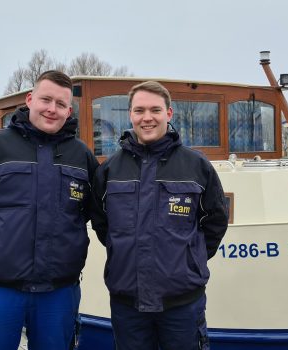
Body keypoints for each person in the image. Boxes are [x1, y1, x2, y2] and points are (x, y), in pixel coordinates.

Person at [0, 70, 98, 350]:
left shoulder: (82, 157)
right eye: (46, 99)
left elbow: (91, 211)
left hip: (58, 291)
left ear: (69, 111)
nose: (51, 109)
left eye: (60, 104)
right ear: (30, 99)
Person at [91, 81, 229, 350]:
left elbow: (215, 222)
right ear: (130, 115)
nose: (147, 117)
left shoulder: (197, 166)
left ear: (169, 113)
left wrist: (190, 258)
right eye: (139, 110)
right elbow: (102, 224)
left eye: (155, 110)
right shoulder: (110, 170)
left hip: (182, 304)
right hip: (127, 303)